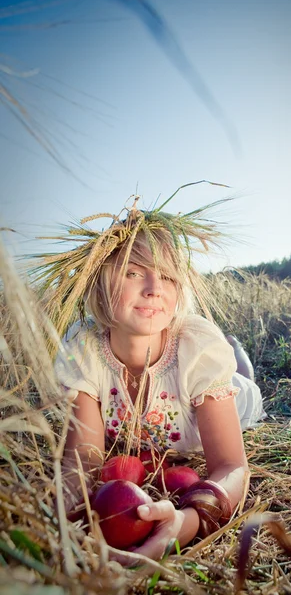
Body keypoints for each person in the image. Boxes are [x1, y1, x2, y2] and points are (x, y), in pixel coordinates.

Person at [37, 193, 264, 563]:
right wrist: (65, 510)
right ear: (99, 282)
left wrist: (189, 520)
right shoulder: (85, 353)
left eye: (168, 277)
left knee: (245, 379)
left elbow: (231, 466)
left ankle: (237, 355)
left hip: (231, 400)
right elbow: (83, 458)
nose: (155, 288)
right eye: (133, 271)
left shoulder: (196, 351)